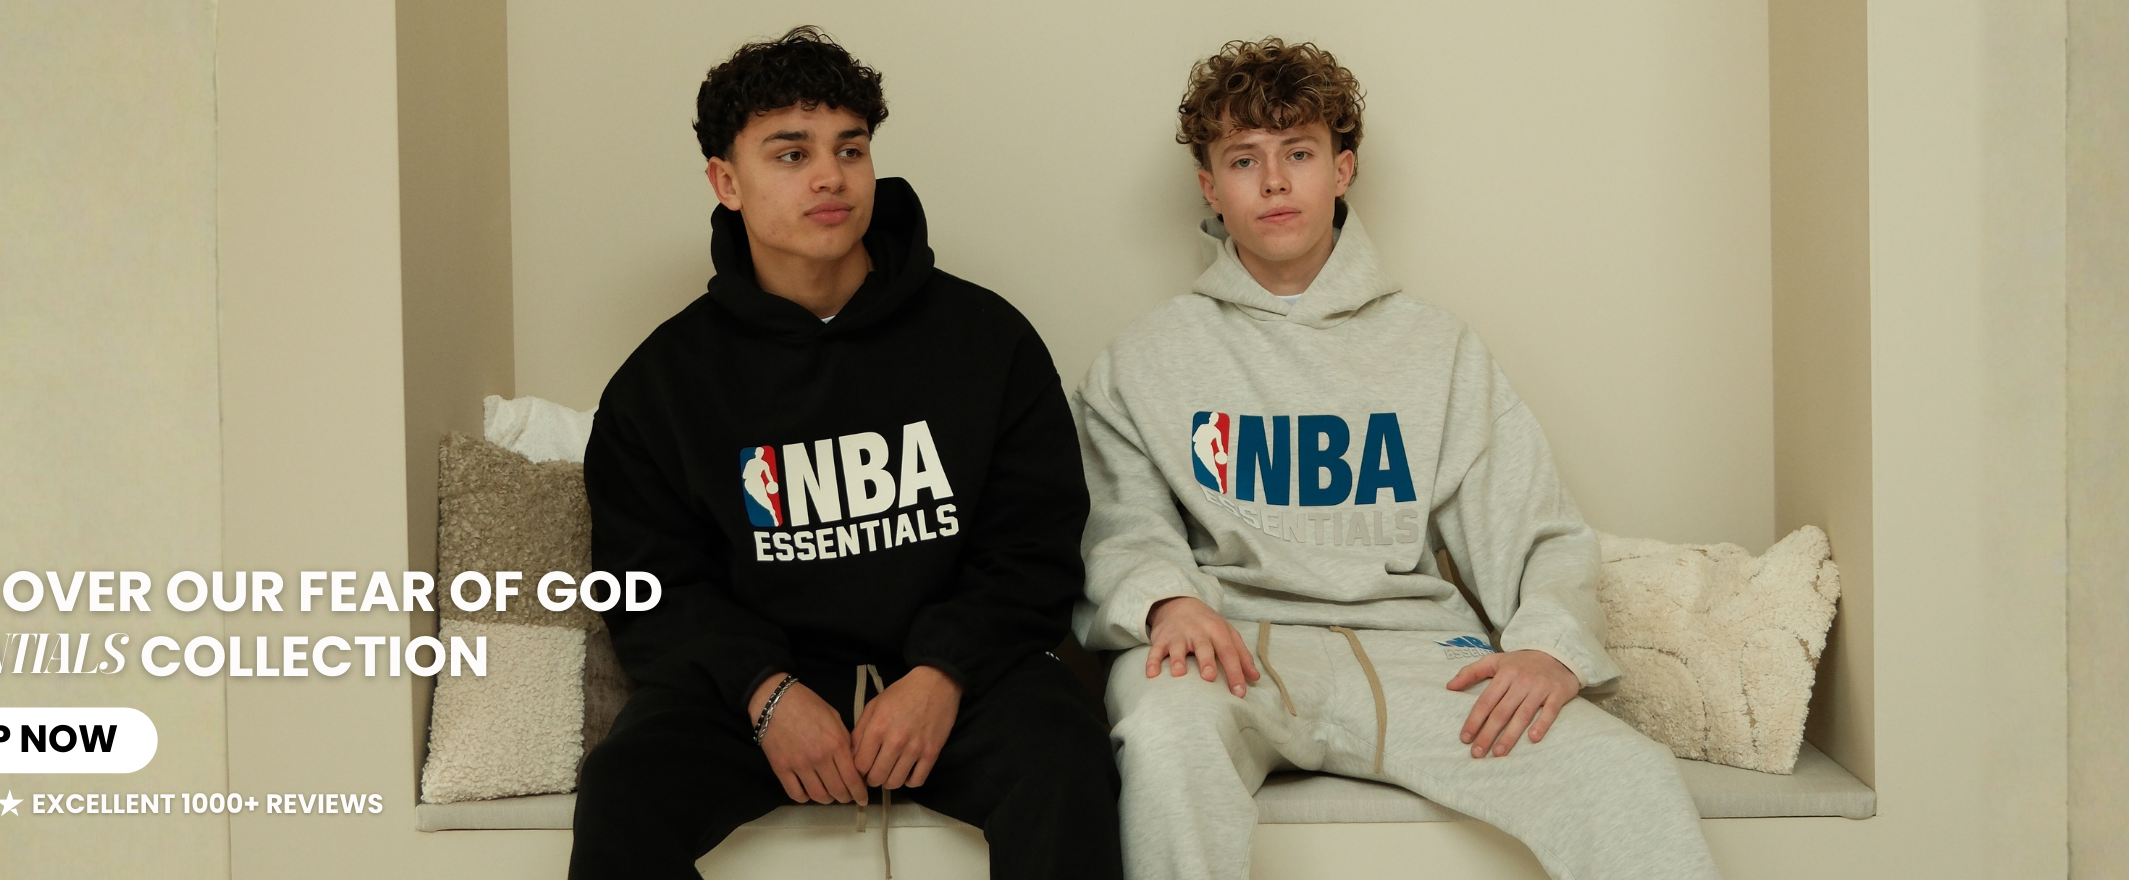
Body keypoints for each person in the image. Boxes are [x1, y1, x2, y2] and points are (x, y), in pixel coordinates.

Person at [1072, 37, 1722, 880]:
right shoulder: (1142, 361)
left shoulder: (1437, 349)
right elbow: (1121, 526)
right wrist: (1166, 603)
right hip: (1229, 652)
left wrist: (1550, 646)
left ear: (1341, 170)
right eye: (1244, 160)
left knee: (1626, 773)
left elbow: (1533, 525)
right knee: (1165, 732)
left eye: (1299, 153)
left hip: (1419, 656)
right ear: (1210, 187)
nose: (1274, 183)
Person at [573, 26, 1120, 880]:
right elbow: (652, 584)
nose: (830, 176)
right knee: (622, 789)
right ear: (726, 181)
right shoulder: (662, 385)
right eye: (791, 153)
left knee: (1064, 757)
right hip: (762, 698)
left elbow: (1034, 543)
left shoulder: (986, 341)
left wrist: (943, 674)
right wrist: (765, 694)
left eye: (850, 148)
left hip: (959, 682)